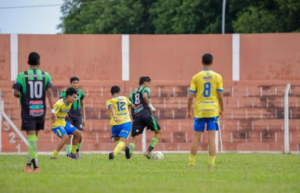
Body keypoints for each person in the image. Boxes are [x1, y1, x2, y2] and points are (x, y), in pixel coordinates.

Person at [12, 52, 56, 172]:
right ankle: (28, 164)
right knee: (34, 139)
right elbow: (50, 93)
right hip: (40, 110)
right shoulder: (46, 75)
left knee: (32, 139)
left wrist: (23, 97)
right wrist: (53, 111)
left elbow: (16, 92)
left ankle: (35, 166)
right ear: (39, 63)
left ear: (27, 62)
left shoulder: (22, 75)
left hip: (28, 110)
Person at [186, 53, 224, 169]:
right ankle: (211, 165)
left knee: (196, 137)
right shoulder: (218, 76)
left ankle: (191, 164)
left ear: (201, 62)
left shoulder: (196, 77)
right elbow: (220, 95)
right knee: (212, 138)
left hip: (200, 110)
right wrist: (222, 109)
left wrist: (188, 111)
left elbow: (191, 96)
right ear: (212, 63)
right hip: (213, 110)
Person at [128, 76, 161, 159]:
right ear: (145, 82)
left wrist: (131, 115)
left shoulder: (132, 93)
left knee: (135, 138)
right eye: (149, 83)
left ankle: (129, 152)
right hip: (146, 114)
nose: (149, 85)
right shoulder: (145, 89)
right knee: (158, 132)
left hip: (136, 116)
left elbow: (130, 105)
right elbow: (145, 96)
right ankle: (149, 151)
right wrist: (151, 107)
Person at [46, 87, 82, 159]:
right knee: (65, 138)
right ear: (68, 96)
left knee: (78, 134)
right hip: (56, 124)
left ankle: (73, 154)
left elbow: (63, 111)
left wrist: (65, 114)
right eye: (74, 97)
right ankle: (54, 156)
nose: (75, 99)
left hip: (63, 122)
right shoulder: (59, 104)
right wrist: (50, 126)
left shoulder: (70, 103)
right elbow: (52, 115)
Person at [106, 86, 135, 159]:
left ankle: (114, 153)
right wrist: (128, 112)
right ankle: (123, 150)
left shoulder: (110, 101)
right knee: (121, 140)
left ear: (111, 93)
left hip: (115, 123)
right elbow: (133, 106)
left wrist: (115, 116)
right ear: (119, 92)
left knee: (116, 140)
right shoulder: (125, 98)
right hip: (126, 122)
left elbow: (111, 107)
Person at [60, 77, 85, 158]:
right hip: (69, 113)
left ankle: (76, 151)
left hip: (78, 114)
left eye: (77, 83)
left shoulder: (80, 92)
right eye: (74, 83)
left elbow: (82, 105)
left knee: (80, 134)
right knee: (69, 134)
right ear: (70, 83)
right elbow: (61, 103)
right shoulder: (65, 92)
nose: (75, 84)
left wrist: (84, 118)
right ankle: (68, 153)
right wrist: (64, 113)